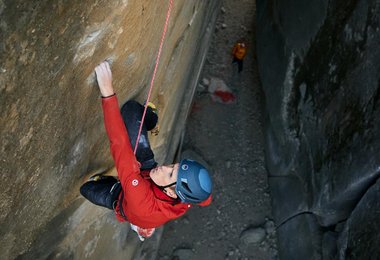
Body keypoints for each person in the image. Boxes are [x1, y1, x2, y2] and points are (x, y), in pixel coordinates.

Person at [80, 61, 213, 240]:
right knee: (131, 110)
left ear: (171, 192)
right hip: (144, 172)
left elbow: (119, 145)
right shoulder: (188, 196)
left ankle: (114, 184)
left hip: (124, 198)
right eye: (173, 166)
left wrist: (107, 91)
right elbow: (206, 198)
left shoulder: (141, 202)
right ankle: (151, 119)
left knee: (87, 188)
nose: (165, 167)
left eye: (170, 174)